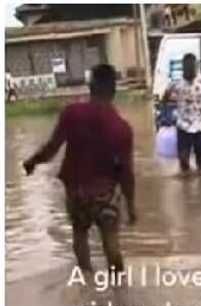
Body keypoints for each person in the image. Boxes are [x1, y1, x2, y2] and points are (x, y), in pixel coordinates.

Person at [23, 64, 136, 273]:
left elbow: (51, 148)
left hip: (77, 193)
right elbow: (126, 172)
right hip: (105, 195)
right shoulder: (122, 127)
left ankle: (87, 282)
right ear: (114, 91)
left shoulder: (72, 113)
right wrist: (131, 205)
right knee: (111, 242)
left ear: (90, 87)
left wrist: (32, 162)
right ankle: (120, 291)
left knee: (80, 234)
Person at [161, 53, 201, 172]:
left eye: (191, 67)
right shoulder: (175, 83)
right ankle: (186, 183)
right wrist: (165, 116)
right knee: (183, 160)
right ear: (183, 67)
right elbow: (164, 99)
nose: (189, 70)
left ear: (196, 66)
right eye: (186, 67)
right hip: (183, 126)